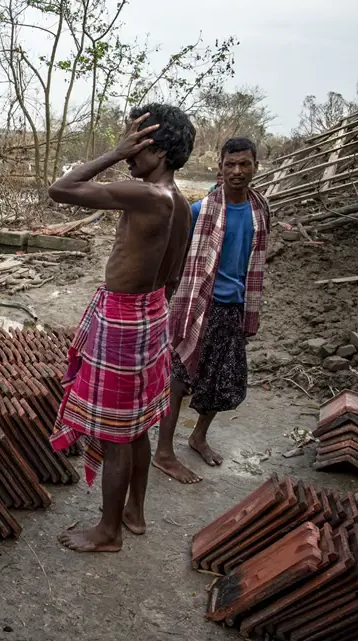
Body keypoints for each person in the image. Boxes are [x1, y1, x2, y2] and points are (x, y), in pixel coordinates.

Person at [47, 104, 196, 553]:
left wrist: (113, 153)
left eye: (140, 142)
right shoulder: (183, 203)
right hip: (152, 312)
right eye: (129, 140)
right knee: (135, 427)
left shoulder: (146, 194)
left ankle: (107, 531)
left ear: (163, 150)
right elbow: (172, 276)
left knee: (115, 433)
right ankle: (134, 512)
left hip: (125, 316)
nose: (132, 151)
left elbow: (61, 189)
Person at [152, 137, 271, 484]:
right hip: (196, 304)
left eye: (244, 164)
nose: (237, 171)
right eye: (230, 164)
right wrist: (166, 301)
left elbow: (255, 263)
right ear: (219, 167)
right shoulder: (199, 210)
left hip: (233, 307)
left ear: (255, 167)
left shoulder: (259, 211)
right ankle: (163, 451)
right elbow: (176, 260)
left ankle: (198, 436)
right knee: (178, 378)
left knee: (221, 378)